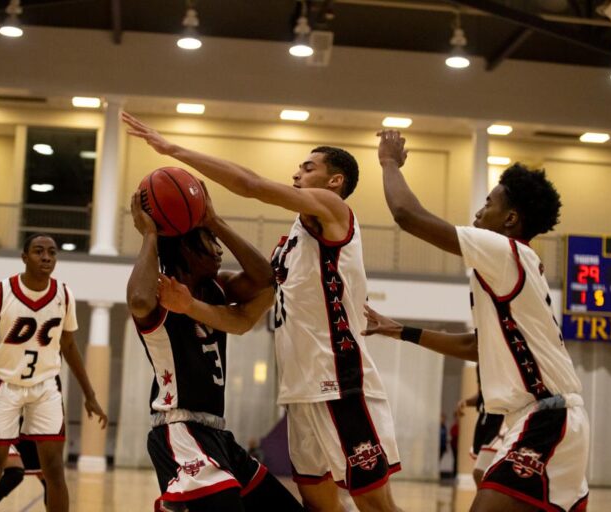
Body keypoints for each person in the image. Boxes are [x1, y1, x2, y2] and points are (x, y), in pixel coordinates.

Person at [122, 112, 404, 512]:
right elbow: (241, 319)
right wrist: (190, 305)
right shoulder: (292, 241)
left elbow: (251, 184)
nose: (296, 174)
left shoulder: (332, 208)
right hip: (300, 388)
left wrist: (173, 149)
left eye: (308, 168)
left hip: (337, 379)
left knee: (374, 503)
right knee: (320, 505)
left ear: (333, 181)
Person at [364, 130, 589, 512]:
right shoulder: (511, 263)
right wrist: (401, 330)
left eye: (488, 204)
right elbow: (477, 346)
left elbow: (408, 215)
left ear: (510, 219)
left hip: (549, 416)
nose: (478, 212)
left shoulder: (503, 251)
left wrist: (388, 162)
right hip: (536, 418)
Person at [126, 186, 303, 512]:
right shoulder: (160, 295)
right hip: (177, 429)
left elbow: (265, 279)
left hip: (217, 434)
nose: (220, 250)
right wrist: (149, 234)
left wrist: (215, 221)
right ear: (188, 250)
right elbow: (137, 300)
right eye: (211, 241)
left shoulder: (217, 288)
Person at [0, 233, 108, 512]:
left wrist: (89, 394)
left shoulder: (64, 294)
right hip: (4, 385)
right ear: (24, 257)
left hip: (45, 386)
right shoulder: (0, 293)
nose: (46, 257)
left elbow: (69, 345)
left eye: (52, 252)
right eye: (39, 251)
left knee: (54, 471)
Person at [0, 342, 48, 508]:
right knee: (13, 473)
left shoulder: (40, 347)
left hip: (27, 420)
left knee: (49, 478)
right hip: (1, 417)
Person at [456, 369, 507, 488]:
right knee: (488, 474)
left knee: (479, 472)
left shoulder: (502, 359)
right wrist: (466, 401)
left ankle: (487, 505)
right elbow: (482, 394)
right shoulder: (480, 363)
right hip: (484, 421)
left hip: (500, 420)